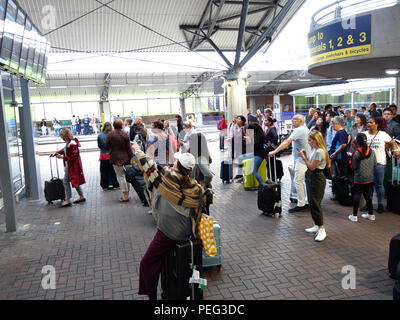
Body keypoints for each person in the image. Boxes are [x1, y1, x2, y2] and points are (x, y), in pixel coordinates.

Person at [134, 146, 205, 300]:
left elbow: (149, 167)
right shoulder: (197, 189)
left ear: (177, 164)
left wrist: (137, 150)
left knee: (147, 263)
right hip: (188, 231)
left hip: (169, 233)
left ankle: (151, 296)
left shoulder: (166, 177)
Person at [269, 114, 311, 212]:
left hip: (301, 160)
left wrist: (274, 152)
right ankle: (306, 201)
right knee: (303, 181)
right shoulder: (305, 129)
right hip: (305, 158)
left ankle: (301, 203)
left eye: (294, 119)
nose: (292, 121)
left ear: (300, 121)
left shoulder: (299, 130)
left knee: (298, 181)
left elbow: (286, 142)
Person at [361, 117, 400, 214]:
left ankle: (380, 204)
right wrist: (361, 152)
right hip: (366, 164)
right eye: (368, 122)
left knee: (379, 184)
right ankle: (368, 204)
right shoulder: (364, 134)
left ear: (376, 124)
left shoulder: (383, 135)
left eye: (371, 122)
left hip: (380, 163)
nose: (368, 124)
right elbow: (354, 142)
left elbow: (393, 143)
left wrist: (396, 151)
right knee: (368, 185)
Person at [297, 130, 329, 242]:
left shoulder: (320, 151)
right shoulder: (316, 150)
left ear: (315, 140)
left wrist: (303, 157)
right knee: (312, 202)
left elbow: (311, 167)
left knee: (315, 203)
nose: (308, 142)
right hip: (312, 178)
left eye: (310, 140)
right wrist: (305, 155)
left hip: (317, 178)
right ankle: (317, 225)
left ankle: (321, 229)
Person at [51, 128, 86, 208]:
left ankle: (68, 199)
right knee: (74, 181)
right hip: (71, 166)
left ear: (64, 137)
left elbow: (73, 157)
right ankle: (81, 196)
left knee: (66, 181)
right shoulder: (70, 143)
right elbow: (64, 150)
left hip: (71, 167)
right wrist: (56, 153)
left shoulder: (72, 144)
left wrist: (62, 158)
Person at [349, 133, 376, 222]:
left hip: (359, 178)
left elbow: (354, 167)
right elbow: (375, 164)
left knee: (357, 195)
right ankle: (371, 214)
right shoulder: (372, 151)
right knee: (368, 195)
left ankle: (354, 216)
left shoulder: (356, 153)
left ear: (357, 141)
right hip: (370, 177)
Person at [105, 119, 133, 202]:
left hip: (115, 158)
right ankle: (128, 194)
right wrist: (131, 157)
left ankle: (125, 195)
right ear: (121, 125)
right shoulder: (125, 134)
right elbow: (129, 148)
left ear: (113, 125)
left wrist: (110, 151)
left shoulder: (110, 135)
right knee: (128, 176)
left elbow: (106, 145)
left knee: (120, 176)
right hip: (127, 157)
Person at [97, 122, 119, 191]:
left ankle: (104, 186)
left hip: (103, 155)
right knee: (113, 171)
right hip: (112, 155)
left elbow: (99, 146)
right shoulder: (114, 134)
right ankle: (115, 184)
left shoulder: (100, 135)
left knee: (103, 171)